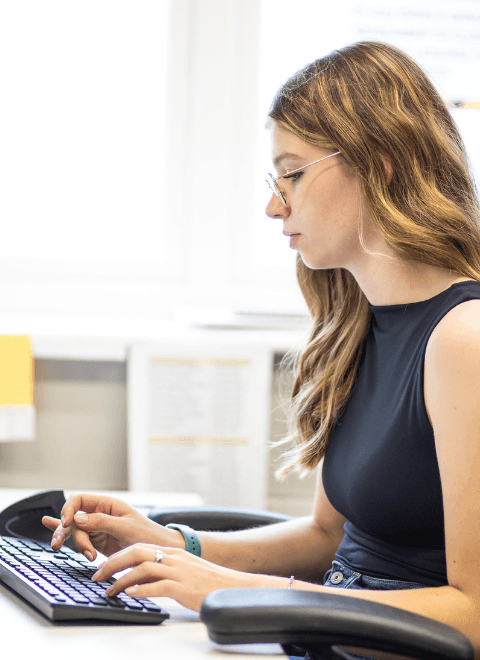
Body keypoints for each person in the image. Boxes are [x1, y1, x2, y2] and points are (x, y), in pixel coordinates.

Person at [43, 41, 480, 658]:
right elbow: (330, 538)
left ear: (380, 164)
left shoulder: (465, 340)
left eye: (293, 174)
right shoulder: (361, 323)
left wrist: (236, 591)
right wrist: (172, 546)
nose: (276, 204)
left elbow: (474, 613)